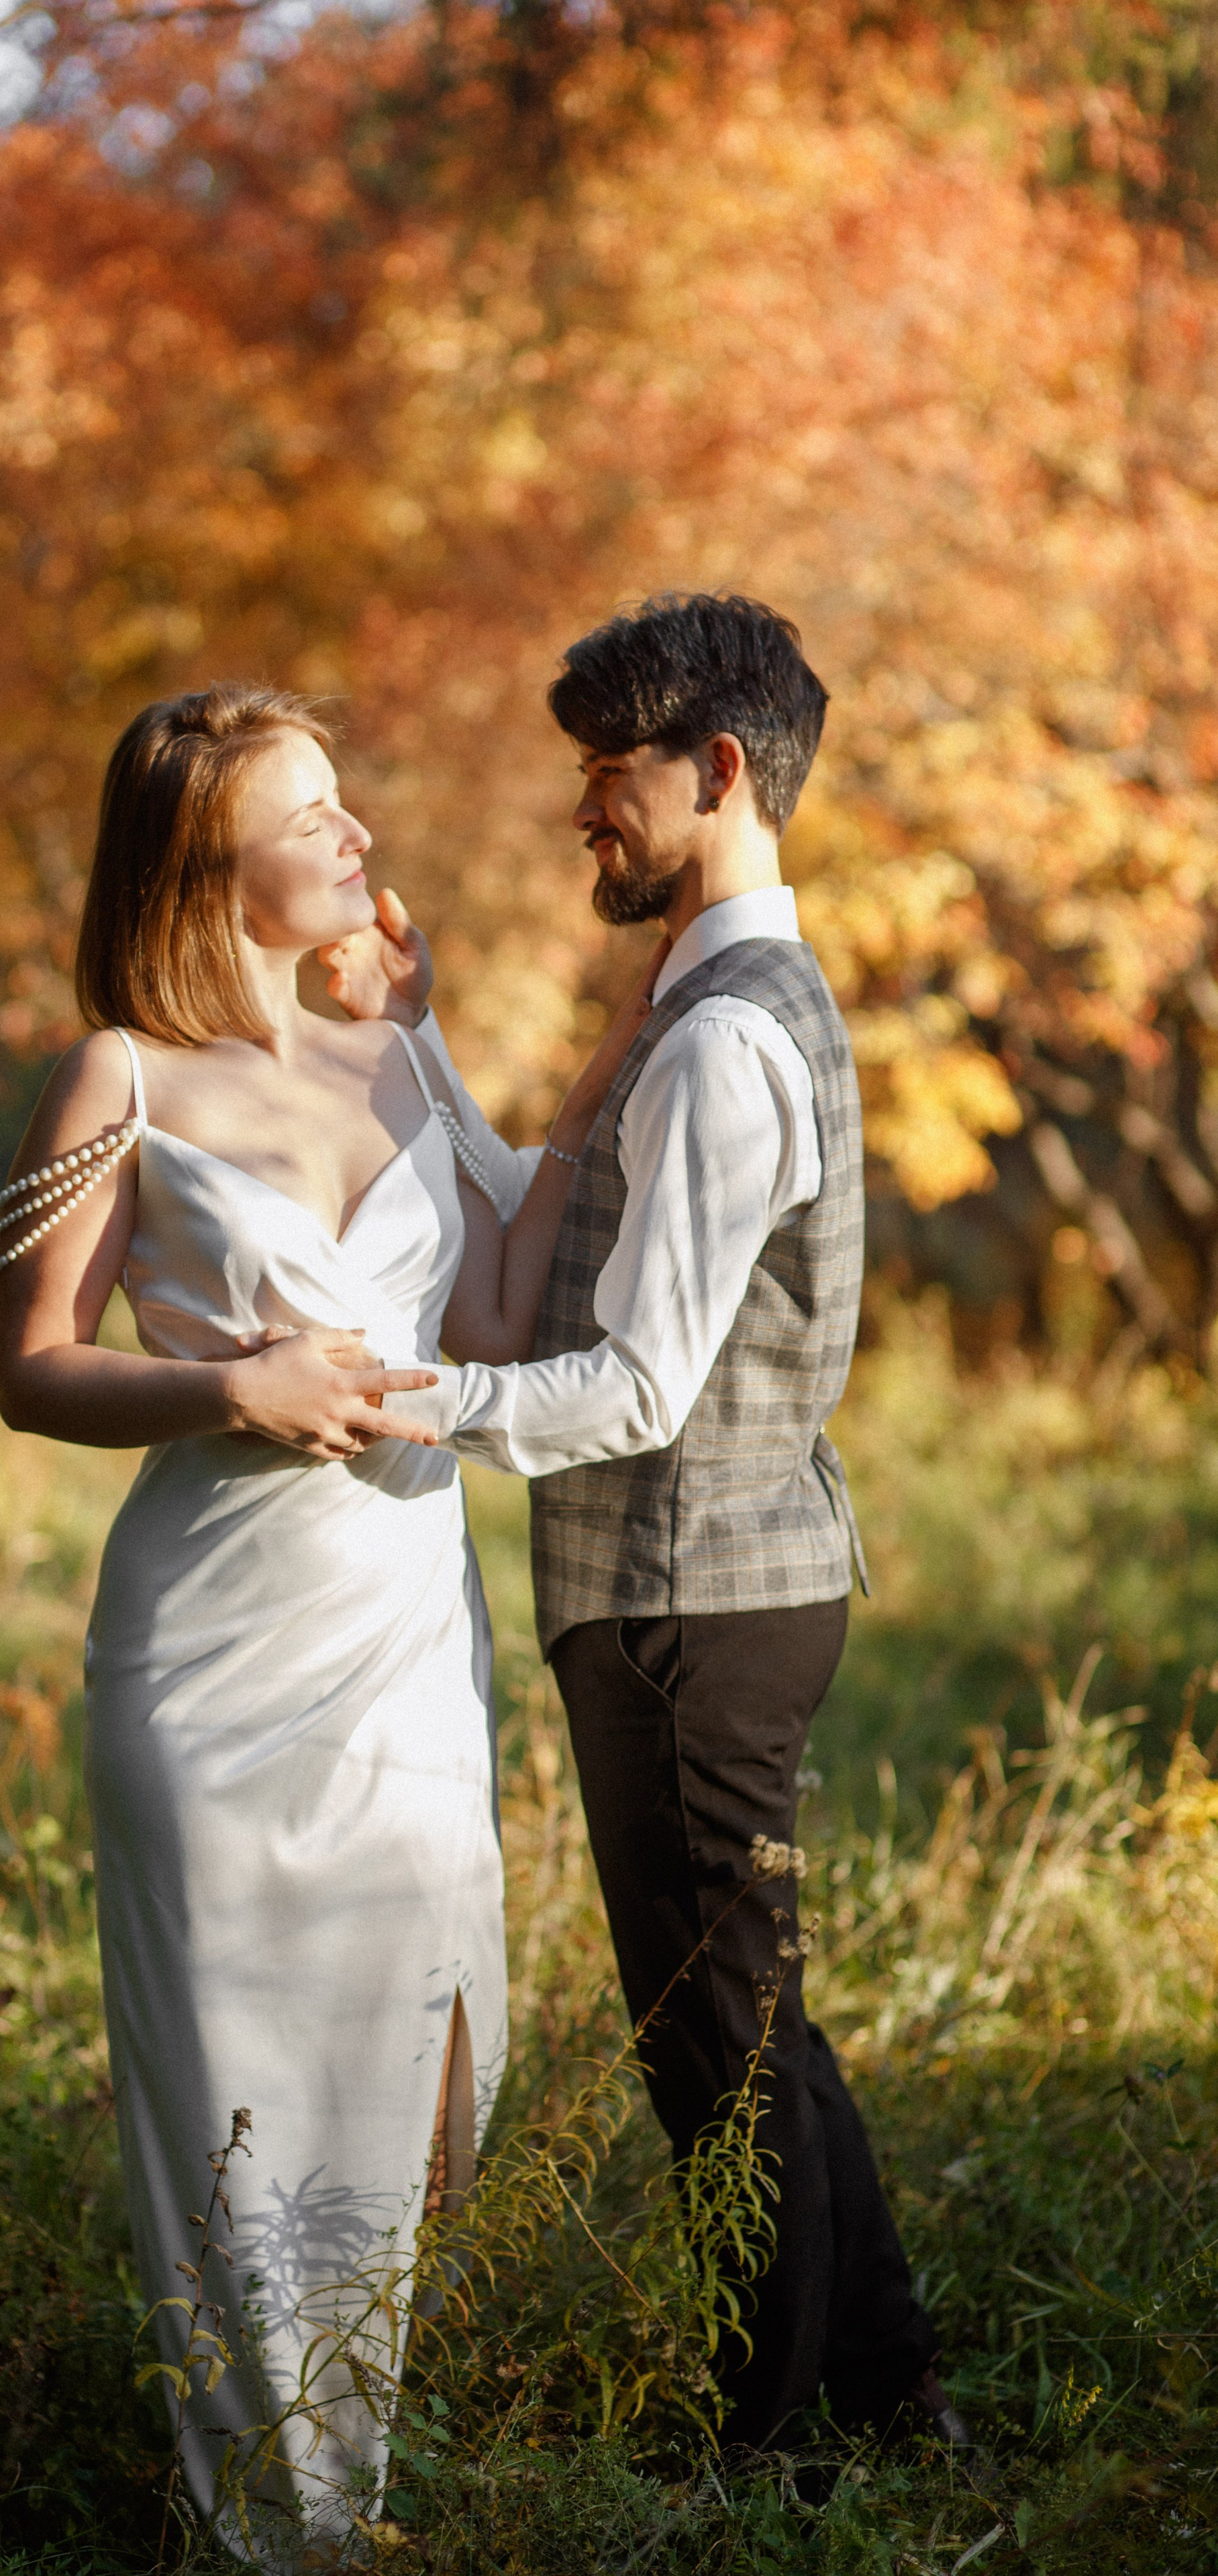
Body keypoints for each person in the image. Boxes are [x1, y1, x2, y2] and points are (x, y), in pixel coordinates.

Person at [0, 684, 646, 2551]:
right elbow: (29, 1368)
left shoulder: (396, 1056)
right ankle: (278, 2532)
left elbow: (504, 1321)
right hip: (212, 1665)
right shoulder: (116, 1073)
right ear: (212, 867)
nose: (358, 839)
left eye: (346, 807)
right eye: (315, 816)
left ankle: (337, 2485)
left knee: (443, 2074)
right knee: (239, 2124)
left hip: (401, 1642)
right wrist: (226, 1388)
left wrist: (591, 1054)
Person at [358, 592, 965, 2455]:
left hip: (694, 1611)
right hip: (694, 1597)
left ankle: (761, 2459)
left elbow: (630, 1389)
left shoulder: (718, 1043)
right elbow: (552, 1224)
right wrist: (424, 1042)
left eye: (606, 773)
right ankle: (894, 2403)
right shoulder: (696, 1005)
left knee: (716, 2057)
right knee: (753, 2029)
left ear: (716, 770)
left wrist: (402, 1407)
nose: (581, 814)